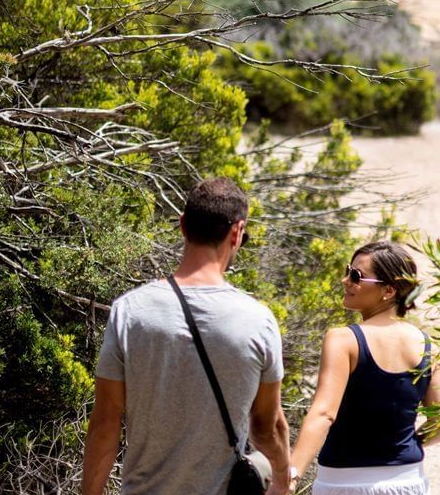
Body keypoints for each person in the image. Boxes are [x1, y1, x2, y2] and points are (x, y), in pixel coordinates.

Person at [81, 177, 294, 495]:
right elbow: (267, 427)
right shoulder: (258, 321)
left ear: (182, 225)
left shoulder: (130, 311)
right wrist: (281, 479)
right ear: (237, 233)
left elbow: (105, 424)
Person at [290, 241, 440, 495]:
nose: (345, 280)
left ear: (388, 291)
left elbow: (323, 414)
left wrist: (291, 475)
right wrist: (406, 445)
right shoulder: (429, 347)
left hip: (344, 484)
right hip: (408, 482)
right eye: (347, 271)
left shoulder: (343, 340)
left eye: (356, 276)